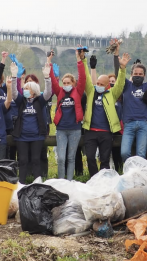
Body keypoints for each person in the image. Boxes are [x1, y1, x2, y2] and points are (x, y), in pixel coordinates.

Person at [82, 51, 130, 176]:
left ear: (107, 86)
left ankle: (103, 181)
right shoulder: (91, 91)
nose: (98, 86)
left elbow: (120, 84)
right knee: (91, 158)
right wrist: (83, 61)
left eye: (101, 85)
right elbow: (86, 77)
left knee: (104, 160)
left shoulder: (112, 94)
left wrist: (122, 68)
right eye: (97, 83)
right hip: (91, 132)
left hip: (106, 133)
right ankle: (93, 179)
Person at [10, 62, 52, 183]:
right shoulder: (21, 101)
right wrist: (14, 77)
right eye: (24, 89)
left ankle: (37, 184)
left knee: (35, 160)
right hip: (22, 137)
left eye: (27, 89)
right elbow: (13, 93)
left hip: (37, 137)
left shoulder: (40, 101)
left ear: (33, 90)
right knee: (22, 161)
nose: (25, 90)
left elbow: (48, 93)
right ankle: (21, 184)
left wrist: (47, 78)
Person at [51, 50, 85, 180]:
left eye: (68, 83)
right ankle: (61, 181)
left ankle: (69, 182)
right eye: (64, 83)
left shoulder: (78, 92)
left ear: (73, 83)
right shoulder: (59, 92)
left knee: (71, 158)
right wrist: (49, 64)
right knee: (61, 158)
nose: (65, 85)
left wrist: (79, 60)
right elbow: (53, 83)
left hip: (75, 130)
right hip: (61, 130)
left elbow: (82, 78)